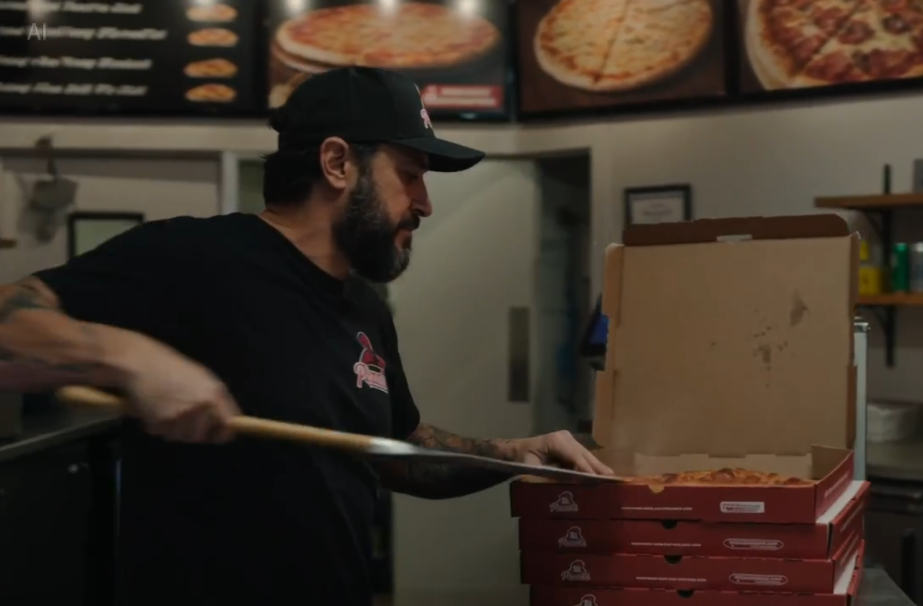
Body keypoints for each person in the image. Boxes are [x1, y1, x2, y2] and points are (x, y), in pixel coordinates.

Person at [0, 67, 613, 606]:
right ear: (337, 163)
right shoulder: (194, 257)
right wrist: (130, 358)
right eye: (410, 174)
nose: (425, 203)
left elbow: (397, 451)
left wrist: (514, 454)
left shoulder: (364, 307)